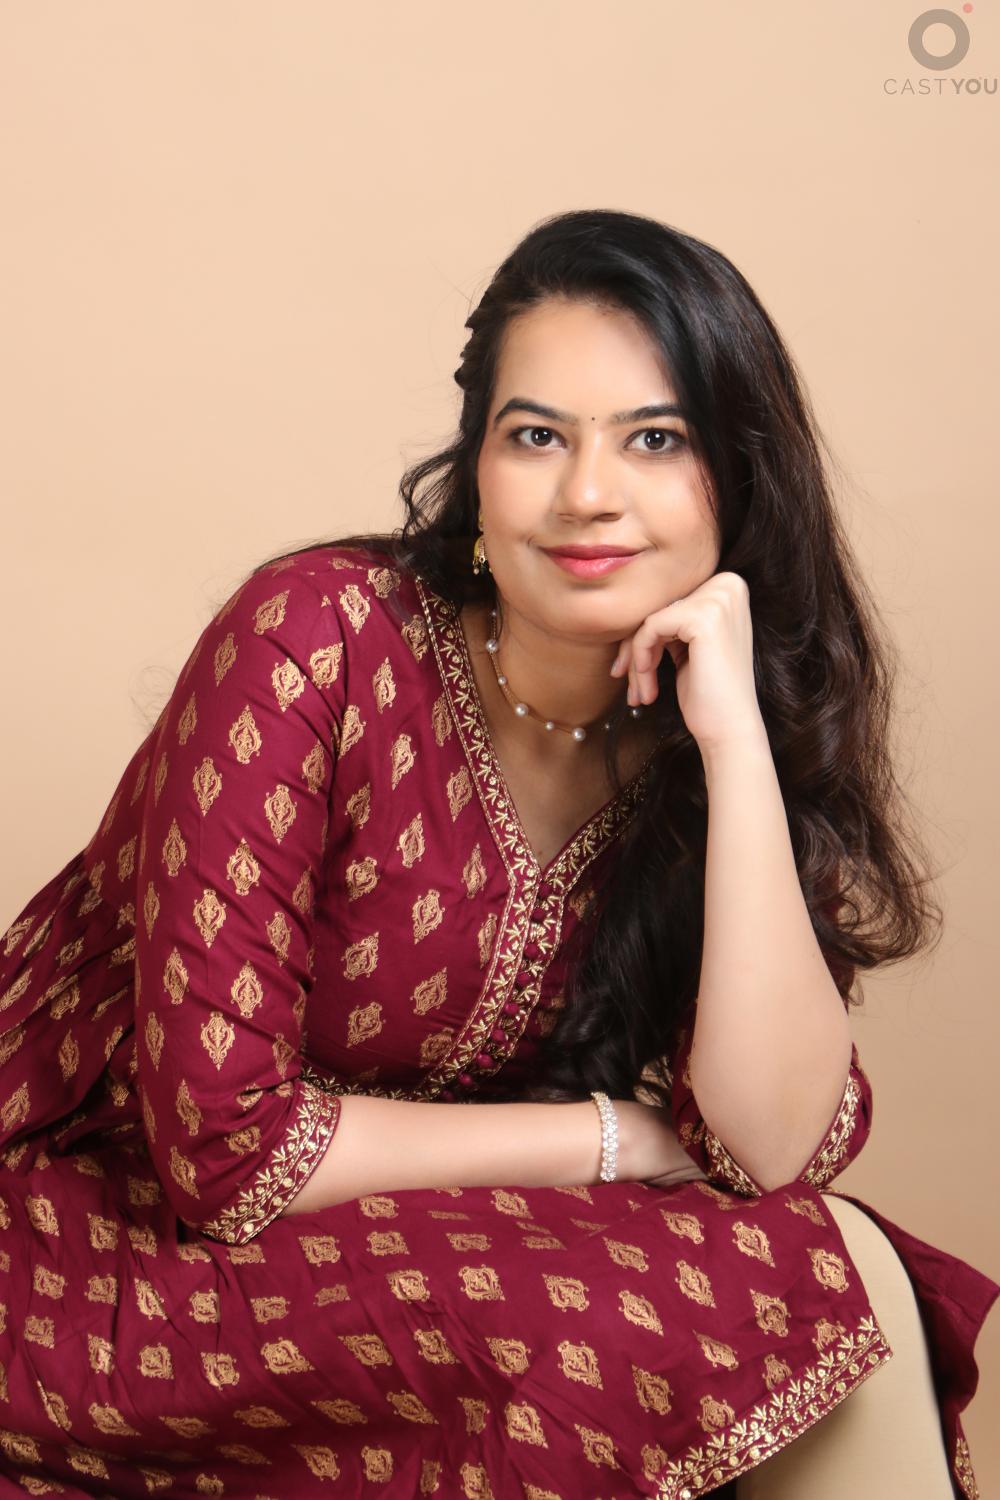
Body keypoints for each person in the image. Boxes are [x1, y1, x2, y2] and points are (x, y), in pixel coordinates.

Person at [0, 208, 996, 1500]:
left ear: (742, 478)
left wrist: (738, 745)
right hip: (102, 1237)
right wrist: (614, 1140)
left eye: (656, 440)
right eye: (537, 436)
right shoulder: (313, 645)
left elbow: (773, 1151)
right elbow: (227, 1155)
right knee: (611, 1323)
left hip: (421, 1243)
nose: (589, 495)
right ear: (477, 471)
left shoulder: (701, 731)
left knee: (828, 1265)